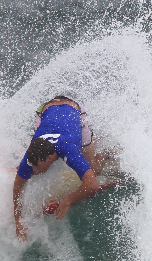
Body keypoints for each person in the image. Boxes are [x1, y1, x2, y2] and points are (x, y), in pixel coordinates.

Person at [13, 96, 107, 241]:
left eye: (38, 165)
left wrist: (68, 201)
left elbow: (92, 184)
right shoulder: (33, 153)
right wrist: (18, 221)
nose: (35, 169)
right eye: (33, 165)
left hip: (74, 111)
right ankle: (22, 170)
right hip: (45, 110)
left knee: (94, 170)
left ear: (50, 158)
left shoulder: (68, 149)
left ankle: (106, 153)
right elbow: (18, 186)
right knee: (29, 172)